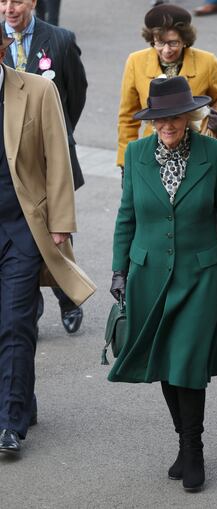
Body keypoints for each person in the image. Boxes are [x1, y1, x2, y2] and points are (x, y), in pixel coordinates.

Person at [109, 76, 217, 492]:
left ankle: (193, 449)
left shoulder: (211, 150)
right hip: (149, 275)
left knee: (188, 362)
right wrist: (119, 270)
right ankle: (183, 442)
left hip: (201, 275)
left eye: (175, 118)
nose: (168, 126)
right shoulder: (136, 154)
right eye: (160, 120)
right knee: (166, 366)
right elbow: (126, 217)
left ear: (189, 116)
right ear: (152, 121)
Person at [0, 26, 95, 455]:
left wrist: (60, 223)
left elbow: (58, 156)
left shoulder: (36, 91)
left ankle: (10, 421)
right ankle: (21, 396)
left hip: (23, 226)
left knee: (16, 322)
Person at [1, 0, 88, 334]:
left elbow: (76, 95)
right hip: (13, 163)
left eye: (18, 1)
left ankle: (67, 297)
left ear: (33, 2)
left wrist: (58, 137)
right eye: (3, 1)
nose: (10, 8)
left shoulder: (61, 40)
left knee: (55, 231)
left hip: (51, 158)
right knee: (22, 238)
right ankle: (26, 309)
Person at [117, 3, 217, 171]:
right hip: (153, 156)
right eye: (160, 43)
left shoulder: (208, 62)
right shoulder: (135, 62)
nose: (166, 50)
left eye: (173, 43)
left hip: (198, 155)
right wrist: (126, 163)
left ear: (185, 40)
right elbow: (127, 118)